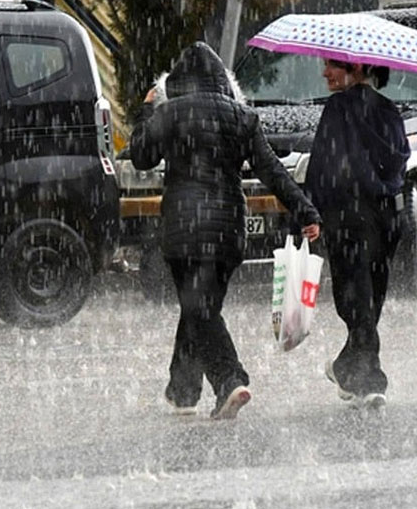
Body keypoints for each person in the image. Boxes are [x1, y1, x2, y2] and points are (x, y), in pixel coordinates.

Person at [128, 42, 321, 420]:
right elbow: (272, 171)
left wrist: (147, 110)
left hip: (183, 229)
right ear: (222, 81)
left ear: (179, 82)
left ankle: (230, 379)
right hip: (228, 232)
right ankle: (182, 390)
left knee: (198, 308)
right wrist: (304, 210)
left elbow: (141, 155)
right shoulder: (241, 116)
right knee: (201, 308)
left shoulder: (169, 113)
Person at [305, 58, 410, 409]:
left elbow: (322, 166)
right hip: (386, 220)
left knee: (356, 303)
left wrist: (308, 212)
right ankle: (346, 367)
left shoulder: (338, 108)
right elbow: (399, 162)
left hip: (348, 219)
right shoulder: (389, 110)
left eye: (333, 66)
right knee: (369, 301)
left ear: (359, 68)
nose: (324, 73)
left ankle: (371, 380)